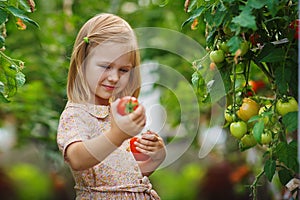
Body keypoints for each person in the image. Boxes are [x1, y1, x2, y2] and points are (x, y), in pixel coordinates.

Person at [57, 13, 166, 199]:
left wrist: (154, 157)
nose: (114, 77)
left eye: (123, 70)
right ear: (82, 63)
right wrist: (117, 135)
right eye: (106, 66)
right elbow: (76, 158)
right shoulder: (76, 113)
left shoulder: (116, 111)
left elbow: (123, 176)